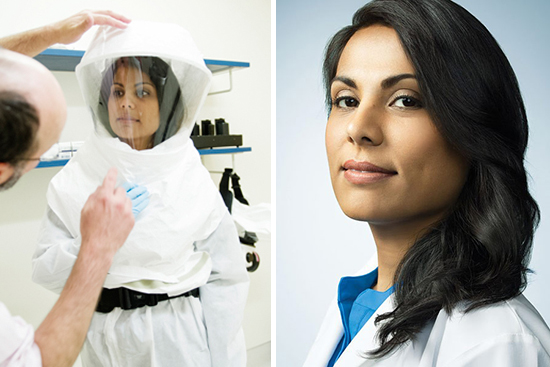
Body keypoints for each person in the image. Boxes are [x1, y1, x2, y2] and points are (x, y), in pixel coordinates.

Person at [303, 0, 550, 366]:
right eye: (347, 100)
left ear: (474, 131)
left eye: (405, 100)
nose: (359, 129)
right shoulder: (357, 299)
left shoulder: (497, 342)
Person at [32, 21, 249, 367]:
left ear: (167, 103)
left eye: (142, 92)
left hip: (177, 336)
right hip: (104, 335)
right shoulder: (81, 173)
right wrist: (91, 240)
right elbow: (45, 269)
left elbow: (227, 278)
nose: (127, 104)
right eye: (117, 92)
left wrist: (226, 359)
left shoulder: (188, 174)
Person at [0, 11, 135, 367]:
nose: (127, 104)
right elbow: (36, 361)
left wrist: (52, 33)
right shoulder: (72, 181)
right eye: (40, 153)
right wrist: (98, 246)